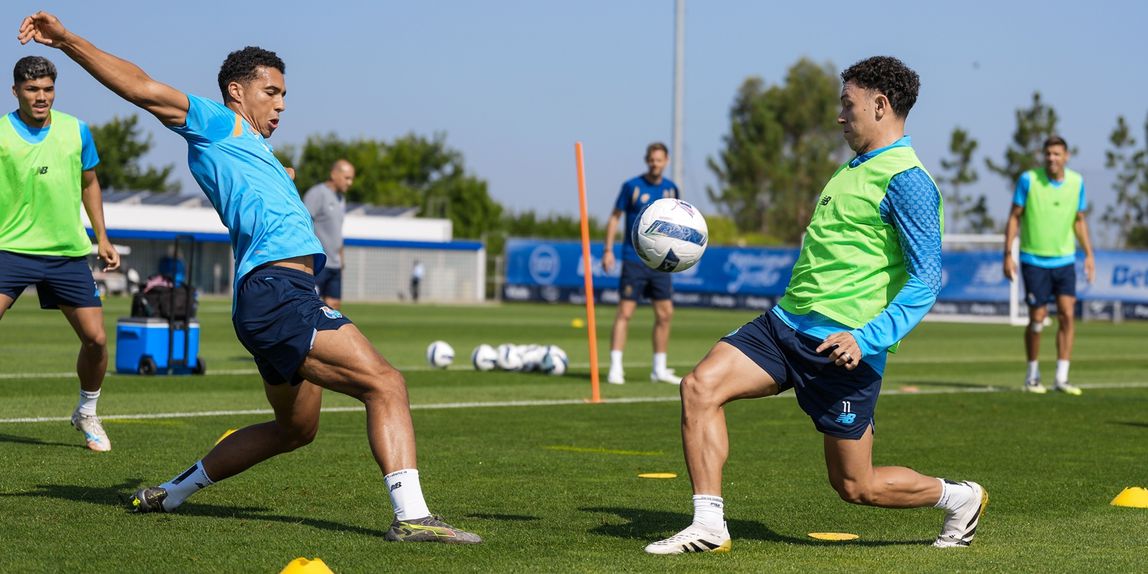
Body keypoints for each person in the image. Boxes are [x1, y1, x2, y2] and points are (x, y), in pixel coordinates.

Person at [19, 12, 480, 544]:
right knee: (387, 383)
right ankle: (413, 517)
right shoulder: (219, 122)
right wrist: (68, 40)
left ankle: (172, 493)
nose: (281, 104)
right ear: (237, 92)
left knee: (295, 430)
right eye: (271, 91)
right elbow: (143, 89)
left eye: (285, 94)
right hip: (276, 296)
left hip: (280, 295)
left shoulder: (254, 148)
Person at [644, 56, 986, 555]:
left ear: (880, 104)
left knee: (855, 486)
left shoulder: (907, 179)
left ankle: (960, 498)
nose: (840, 116)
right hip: (782, 327)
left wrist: (866, 338)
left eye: (847, 105)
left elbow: (926, 281)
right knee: (699, 387)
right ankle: (709, 525)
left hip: (842, 348)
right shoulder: (851, 169)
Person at [0, 55, 119, 452]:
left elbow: (90, 183)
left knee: (97, 340)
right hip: (9, 249)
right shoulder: (0, 133)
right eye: (32, 90)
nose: (41, 97)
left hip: (67, 253)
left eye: (48, 89)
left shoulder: (76, 130)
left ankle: (86, 412)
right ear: (15, 90)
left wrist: (102, 236)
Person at [1002, 136, 1094, 395]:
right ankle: (1032, 375)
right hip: (1033, 260)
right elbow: (1013, 218)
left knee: (1067, 314)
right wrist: (1007, 253)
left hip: (1065, 260)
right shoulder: (1028, 180)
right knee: (1037, 318)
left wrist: (1089, 254)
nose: (1052, 158)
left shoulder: (1077, 183)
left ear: (1066, 156)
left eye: (1057, 154)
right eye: (1048, 154)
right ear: (1043, 156)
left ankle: (1061, 378)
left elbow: (1079, 221)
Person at [601, 142, 681, 385]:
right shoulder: (632, 187)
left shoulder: (671, 189)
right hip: (633, 258)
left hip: (661, 262)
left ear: (666, 160)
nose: (655, 164)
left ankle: (659, 368)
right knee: (625, 312)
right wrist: (608, 250)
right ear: (646, 160)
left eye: (659, 160)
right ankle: (615, 367)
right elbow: (615, 217)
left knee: (665, 314)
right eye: (651, 160)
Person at [303, 159, 354, 310]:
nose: (350, 183)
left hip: (335, 264)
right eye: (347, 178)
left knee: (334, 307)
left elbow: (337, 231)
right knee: (312, 306)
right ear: (333, 174)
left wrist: (341, 258)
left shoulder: (341, 199)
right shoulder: (317, 193)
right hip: (319, 262)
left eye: (352, 178)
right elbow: (303, 223)